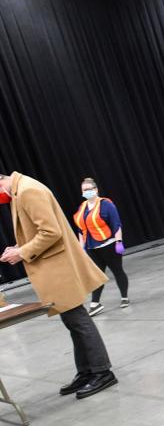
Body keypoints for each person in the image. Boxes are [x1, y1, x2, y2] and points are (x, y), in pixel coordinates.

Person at [0, 171, 118, 399]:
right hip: (53, 268)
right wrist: (18, 246)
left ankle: (102, 371)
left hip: (58, 268)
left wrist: (22, 252)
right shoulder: (19, 189)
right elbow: (37, 229)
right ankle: (86, 371)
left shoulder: (28, 191)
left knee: (78, 319)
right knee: (72, 321)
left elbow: (50, 232)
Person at [74, 177, 129, 316]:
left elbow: (116, 224)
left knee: (118, 271)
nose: (87, 192)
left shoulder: (106, 204)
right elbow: (80, 230)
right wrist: (81, 249)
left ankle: (124, 297)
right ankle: (95, 303)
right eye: (84, 190)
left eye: (89, 189)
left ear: (96, 190)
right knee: (97, 276)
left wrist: (119, 242)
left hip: (108, 245)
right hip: (92, 248)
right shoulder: (82, 208)